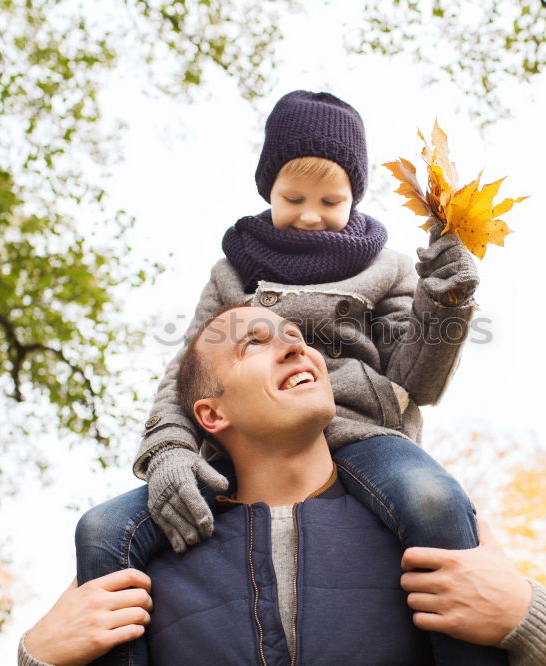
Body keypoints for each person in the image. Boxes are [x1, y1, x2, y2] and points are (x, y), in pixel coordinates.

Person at [76, 90, 489, 663]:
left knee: (434, 498)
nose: (311, 214)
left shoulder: (387, 266)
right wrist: (170, 448)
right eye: (293, 197)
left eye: (331, 199)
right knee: (102, 529)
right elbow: (188, 372)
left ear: (355, 197)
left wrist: (445, 304)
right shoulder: (234, 271)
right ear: (268, 188)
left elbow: (418, 378)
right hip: (248, 438)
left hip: (363, 433)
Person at [20, 306, 546, 665]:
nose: (295, 345)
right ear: (211, 415)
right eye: (255, 342)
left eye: (295, 334)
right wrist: (36, 659)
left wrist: (532, 625)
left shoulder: (437, 543)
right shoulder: (140, 575)